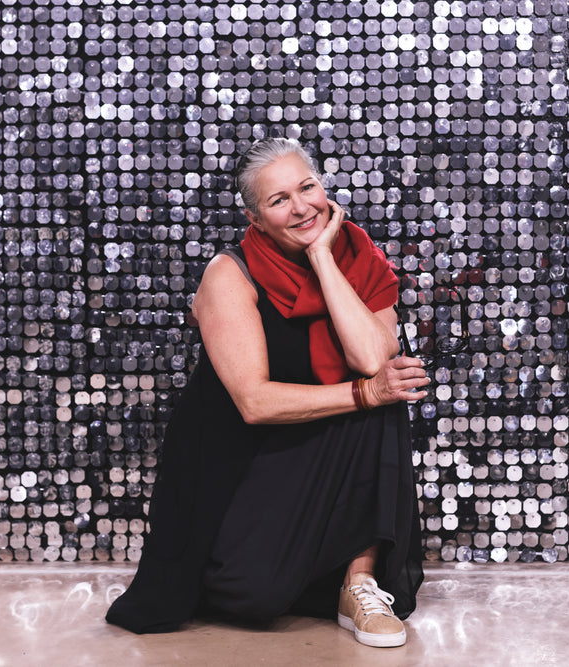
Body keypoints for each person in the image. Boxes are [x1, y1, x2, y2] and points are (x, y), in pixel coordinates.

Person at [105, 137, 430, 648]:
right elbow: (254, 403)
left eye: (308, 187)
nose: (302, 207)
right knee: (254, 598)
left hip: (320, 448)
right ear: (255, 218)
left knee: (386, 389)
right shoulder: (228, 274)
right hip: (241, 469)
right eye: (280, 200)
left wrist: (324, 258)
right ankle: (283, 568)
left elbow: (371, 358)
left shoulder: (356, 254)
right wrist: (365, 393)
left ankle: (359, 580)